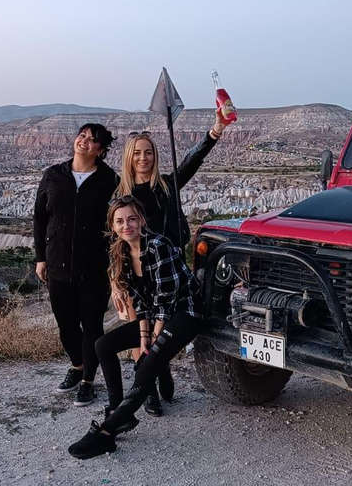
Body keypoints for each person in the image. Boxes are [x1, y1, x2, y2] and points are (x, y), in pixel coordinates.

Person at [111, 109, 230, 416]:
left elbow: (193, 160)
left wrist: (214, 131)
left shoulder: (166, 186)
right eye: (137, 153)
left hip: (167, 273)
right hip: (137, 274)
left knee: (164, 333)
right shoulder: (121, 194)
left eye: (148, 152)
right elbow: (112, 241)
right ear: (129, 157)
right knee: (142, 331)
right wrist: (115, 283)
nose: (143, 158)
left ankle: (159, 369)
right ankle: (148, 389)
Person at [68, 197, 204, 459]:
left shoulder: (158, 246)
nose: (127, 225)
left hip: (185, 311)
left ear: (141, 220)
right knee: (102, 346)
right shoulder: (119, 253)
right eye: (120, 221)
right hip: (156, 315)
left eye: (131, 219)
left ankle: (107, 432)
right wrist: (144, 340)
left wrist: (153, 342)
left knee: (146, 365)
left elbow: (165, 300)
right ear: (113, 226)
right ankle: (118, 410)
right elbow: (142, 303)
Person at [33, 123, 118, 407]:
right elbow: (40, 218)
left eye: (92, 140)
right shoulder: (54, 175)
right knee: (66, 324)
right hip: (57, 264)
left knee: (92, 325)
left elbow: (117, 221)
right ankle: (77, 365)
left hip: (94, 267)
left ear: (101, 151)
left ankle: (88, 381)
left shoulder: (109, 180)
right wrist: (40, 257)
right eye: (82, 135)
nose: (84, 141)